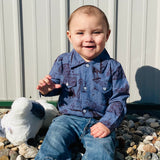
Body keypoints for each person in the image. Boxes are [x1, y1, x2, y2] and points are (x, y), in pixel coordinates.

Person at [35, 5, 129, 160]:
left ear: (107, 35)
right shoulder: (63, 61)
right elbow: (54, 86)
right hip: (66, 119)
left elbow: (119, 98)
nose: (88, 38)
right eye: (80, 33)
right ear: (70, 36)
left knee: (101, 151)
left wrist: (107, 123)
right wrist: (47, 89)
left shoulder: (113, 67)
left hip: (99, 121)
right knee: (53, 143)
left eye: (96, 32)